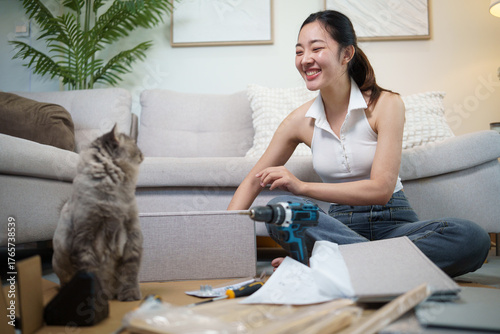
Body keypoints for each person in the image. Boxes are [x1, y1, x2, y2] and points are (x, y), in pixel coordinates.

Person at [227, 10, 490, 278]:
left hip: (393, 225)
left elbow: (381, 189)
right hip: (338, 229)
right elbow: (252, 181)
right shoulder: (298, 122)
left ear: (347, 54)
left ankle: (332, 264)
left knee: (471, 238)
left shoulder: (386, 105)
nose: (305, 59)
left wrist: (302, 186)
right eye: (298, 52)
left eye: (317, 48)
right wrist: (224, 242)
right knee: (281, 209)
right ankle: (362, 266)